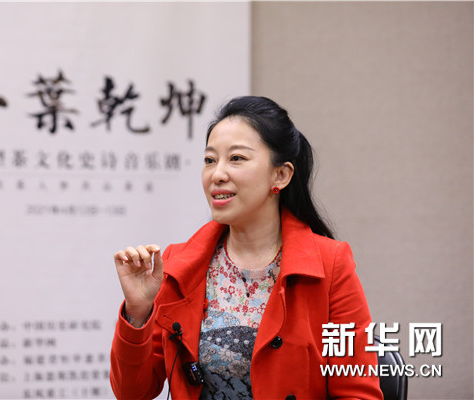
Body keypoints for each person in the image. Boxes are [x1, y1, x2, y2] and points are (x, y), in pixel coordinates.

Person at [110, 96, 383, 400]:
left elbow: (358, 393)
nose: (217, 174)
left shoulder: (331, 264)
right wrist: (137, 314)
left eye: (236, 158)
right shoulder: (178, 265)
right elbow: (132, 392)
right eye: (210, 160)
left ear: (280, 175)